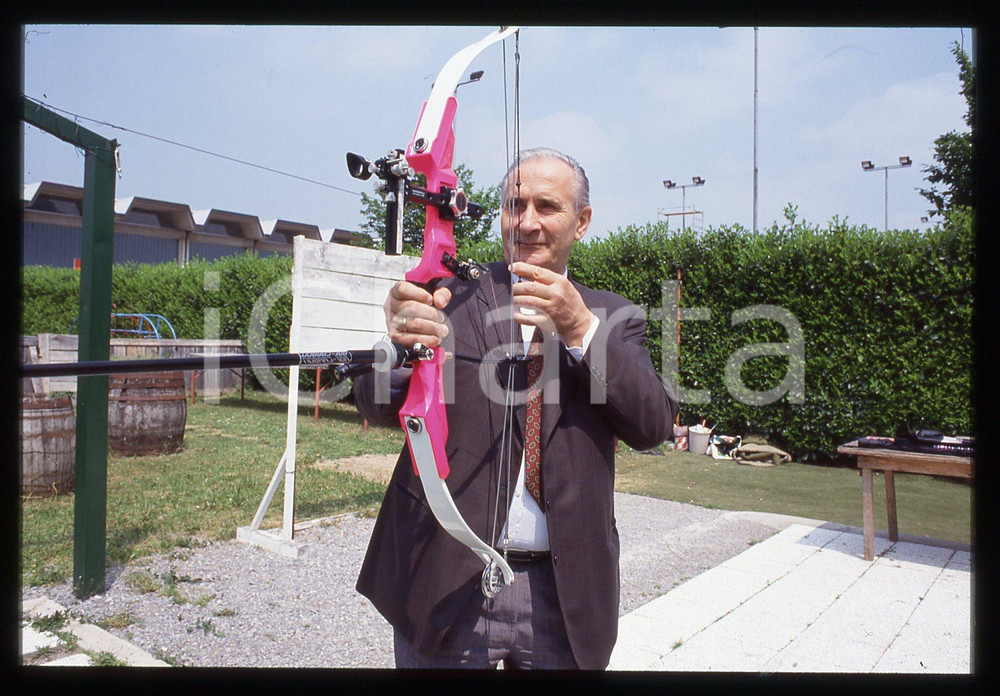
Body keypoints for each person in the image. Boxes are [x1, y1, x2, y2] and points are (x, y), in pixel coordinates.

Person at [354, 147, 677, 669]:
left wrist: (579, 328)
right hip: (445, 578)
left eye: (547, 206)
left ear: (582, 221)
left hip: (564, 592)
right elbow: (377, 403)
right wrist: (395, 348)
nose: (527, 222)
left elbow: (653, 424)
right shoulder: (449, 295)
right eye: (514, 205)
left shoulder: (613, 316)